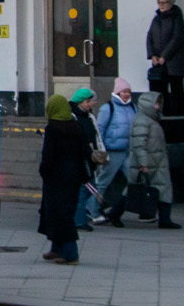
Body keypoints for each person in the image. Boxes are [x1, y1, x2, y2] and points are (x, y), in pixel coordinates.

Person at [37, 94, 91, 265]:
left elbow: (48, 155)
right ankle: (56, 248)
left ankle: (70, 253)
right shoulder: (77, 127)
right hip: (73, 177)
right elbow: (85, 153)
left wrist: (44, 172)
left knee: (59, 214)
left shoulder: (52, 128)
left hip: (56, 178)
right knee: (64, 212)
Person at [126, 92, 181, 229]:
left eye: (158, 103)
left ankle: (165, 219)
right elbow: (139, 144)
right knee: (134, 189)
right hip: (150, 162)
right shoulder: (142, 121)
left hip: (158, 162)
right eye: (155, 103)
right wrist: (143, 163)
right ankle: (115, 213)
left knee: (164, 190)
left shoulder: (151, 119)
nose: (157, 106)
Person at [91, 77, 136, 227]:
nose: (127, 94)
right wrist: (102, 151)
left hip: (127, 151)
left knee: (134, 181)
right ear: (117, 92)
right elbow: (100, 130)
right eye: (124, 91)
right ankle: (94, 209)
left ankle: (115, 210)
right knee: (103, 182)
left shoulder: (133, 108)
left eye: (129, 91)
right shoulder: (107, 108)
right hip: (112, 152)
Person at [145, 0, 184, 115]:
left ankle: (178, 115)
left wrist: (164, 56)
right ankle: (163, 113)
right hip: (159, 63)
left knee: (176, 89)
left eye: (165, 2)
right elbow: (150, 37)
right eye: (160, 2)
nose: (162, 5)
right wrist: (152, 55)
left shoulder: (177, 18)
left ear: (171, 4)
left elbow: (177, 39)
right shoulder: (156, 19)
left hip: (174, 63)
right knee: (160, 90)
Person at [70, 88, 101, 232]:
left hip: (90, 157)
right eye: (87, 101)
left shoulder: (88, 116)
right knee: (83, 189)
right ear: (80, 102)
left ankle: (77, 216)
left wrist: (100, 151)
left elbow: (96, 135)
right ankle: (79, 220)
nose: (90, 104)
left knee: (90, 187)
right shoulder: (73, 117)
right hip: (80, 158)